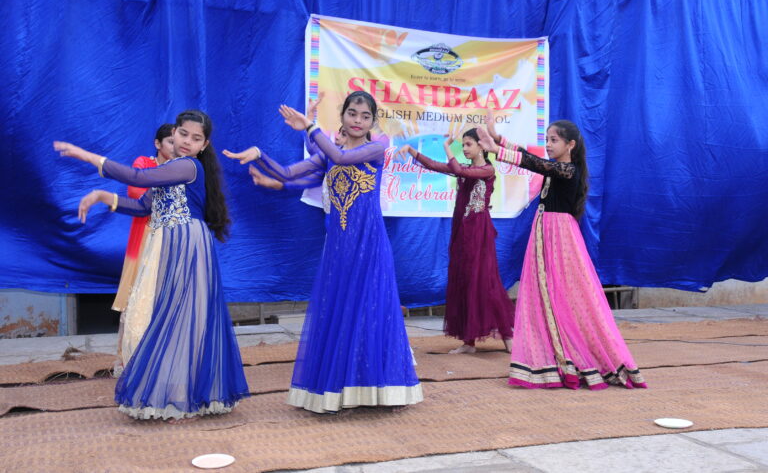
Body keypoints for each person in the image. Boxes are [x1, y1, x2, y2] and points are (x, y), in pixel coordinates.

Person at [224, 91, 422, 413]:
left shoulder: (377, 147)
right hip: (340, 245)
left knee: (370, 307)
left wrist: (309, 126)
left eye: (365, 116)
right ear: (342, 116)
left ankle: (376, 388)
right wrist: (260, 154)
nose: (357, 121)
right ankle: (342, 388)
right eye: (352, 114)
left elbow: (342, 158)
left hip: (369, 243)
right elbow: (289, 174)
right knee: (340, 309)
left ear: (373, 122)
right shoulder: (329, 155)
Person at [54, 110, 250, 419]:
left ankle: (183, 390)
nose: (187, 142)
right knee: (170, 316)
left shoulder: (187, 166)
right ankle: (178, 387)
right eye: (183, 134)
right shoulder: (171, 168)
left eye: (195, 138)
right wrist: (104, 196)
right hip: (168, 244)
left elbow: (137, 178)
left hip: (187, 245)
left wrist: (86, 155)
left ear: (204, 144)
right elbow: (142, 206)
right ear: (174, 133)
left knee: (181, 317)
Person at [477, 121, 646, 390]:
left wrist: (496, 150)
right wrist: (500, 140)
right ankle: (553, 355)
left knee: (565, 294)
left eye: (554, 140)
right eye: (547, 139)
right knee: (548, 294)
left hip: (558, 236)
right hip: (546, 232)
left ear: (570, 145)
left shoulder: (567, 170)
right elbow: (533, 158)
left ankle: (574, 355)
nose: (548, 144)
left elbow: (533, 164)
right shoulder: (558, 167)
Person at [398, 129, 515, 354]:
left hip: (479, 233)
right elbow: (436, 166)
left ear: (482, 146)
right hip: (462, 231)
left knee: (485, 280)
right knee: (465, 281)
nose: (465, 149)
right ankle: (468, 341)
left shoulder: (487, 170)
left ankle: (508, 335)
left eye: (469, 144)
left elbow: (457, 169)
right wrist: (413, 151)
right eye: (463, 145)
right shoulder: (467, 170)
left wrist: (446, 147)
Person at [113, 123, 174, 373]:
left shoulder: (182, 167)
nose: (175, 145)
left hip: (171, 241)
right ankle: (124, 357)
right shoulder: (144, 164)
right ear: (157, 144)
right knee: (134, 298)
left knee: (166, 299)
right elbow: (136, 192)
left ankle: (163, 358)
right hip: (144, 239)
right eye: (169, 141)